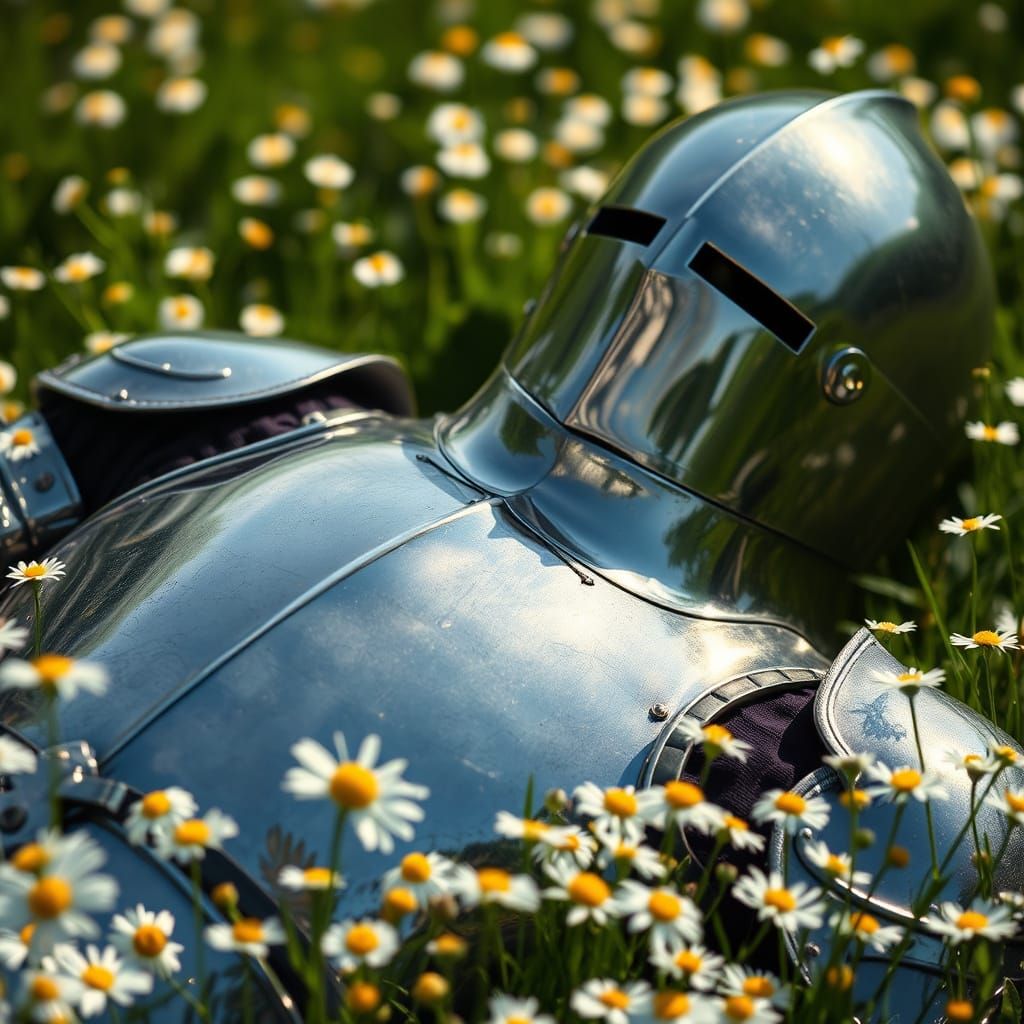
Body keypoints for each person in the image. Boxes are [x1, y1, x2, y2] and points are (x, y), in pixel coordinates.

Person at [0, 89, 1008, 1018]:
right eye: (640, 240)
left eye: (738, 287)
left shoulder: (253, 418)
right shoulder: (817, 760)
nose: (660, 280)